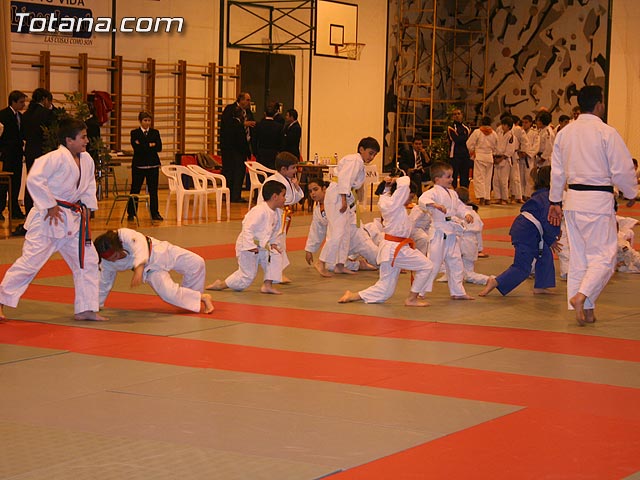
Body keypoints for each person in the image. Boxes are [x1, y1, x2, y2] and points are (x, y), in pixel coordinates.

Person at [0, 117, 106, 322]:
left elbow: (89, 185)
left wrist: (88, 208)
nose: (87, 141)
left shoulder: (87, 160)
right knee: (30, 263)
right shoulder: (54, 158)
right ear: (69, 140)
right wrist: (49, 204)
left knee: (89, 261)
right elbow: (34, 178)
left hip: (73, 220)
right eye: (82, 137)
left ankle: (85, 308)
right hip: (48, 219)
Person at [548, 85, 638, 326]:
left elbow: (557, 171)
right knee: (605, 258)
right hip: (597, 202)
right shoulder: (606, 132)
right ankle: (582, 296)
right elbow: (622, 168)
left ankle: (586, 309)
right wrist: (632, 192)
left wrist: (555, 200)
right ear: (599, 104)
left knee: (580, 258)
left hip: (572, 200)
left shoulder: (565, 133)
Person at [339, 174, 434, 306]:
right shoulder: (394, 204)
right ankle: (412, 299)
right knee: (426, 265)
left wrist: (388, 186)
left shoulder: (388, 202)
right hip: (396, 248)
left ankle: (353, 296)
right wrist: (398, 180)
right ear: (402, 194)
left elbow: (388, 194)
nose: (410, 200)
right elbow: (404, 184)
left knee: (385, 289)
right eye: (410, 196)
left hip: (392, 248)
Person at [479, 166, 561, 297]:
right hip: (526, 233)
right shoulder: (548, 198)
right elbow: (549, 221)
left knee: (545, 255)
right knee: (523, 267)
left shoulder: (544, 195)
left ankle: (541, 286)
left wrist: (550, 239)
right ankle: (495, 281)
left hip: (529, 230)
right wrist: (551, 239)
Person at [94, 229, 214, 314]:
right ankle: (201, 298)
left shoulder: (123, 235)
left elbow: (140, 243)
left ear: (118, 247)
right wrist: (96, 305)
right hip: (151, 270)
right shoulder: (107, 263)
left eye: (115, 256)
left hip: (160, 251)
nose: (114, 260)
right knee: (168, 293)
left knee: (197, 263)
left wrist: (138, 269)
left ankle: (190, 300)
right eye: (110, 259)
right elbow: (104, 282)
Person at [206, 180, 286, 294]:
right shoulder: (259, 210)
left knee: (275, 255)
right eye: (283, 195)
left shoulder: (277, 212)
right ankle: (221, 284)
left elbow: (274, 231)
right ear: (275, 197)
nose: (285, 199)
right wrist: (249, 245)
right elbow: (247, 227)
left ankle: (267, 285)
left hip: (263, 245)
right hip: (247, 246)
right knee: (247, 277)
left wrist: (273, 243)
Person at [315, 137, 380, 276]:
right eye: (370, 153)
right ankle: (321, 262)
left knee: (346, 233)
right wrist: (343, 199)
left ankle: (340, 264)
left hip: (345, 196)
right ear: (361, 149)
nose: (372, 157)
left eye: (374, 154)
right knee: (337, 232)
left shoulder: (359, 163)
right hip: (338, 195)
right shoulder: (354, 159)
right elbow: (344, 178)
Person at [418, 162, 474, 300]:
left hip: (451, 232)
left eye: (451, 176)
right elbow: (422, 199)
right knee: (433, 263)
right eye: (448, 177)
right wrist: (434, 205)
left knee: (456, 262)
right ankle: (419, 292)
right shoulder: (433, 192)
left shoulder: (453, 194)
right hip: (438, 232)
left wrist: (466, 214)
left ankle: (458, 291)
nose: (451, 179)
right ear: (437, 179)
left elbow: (460, 207)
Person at [304, 178, 377, 272]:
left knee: (377, 259)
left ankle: (398, 265)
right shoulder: (317, 211)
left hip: (356, 235)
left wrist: (344, 194)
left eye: (315, 189)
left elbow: (351, 198)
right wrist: (309, 250)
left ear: (324, 188)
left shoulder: (336, 196)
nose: (313, 193)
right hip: (340, 241)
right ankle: (359, 265)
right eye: (310, 191)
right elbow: (316, 230)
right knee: (330, 265)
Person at [260, 151, 305, 281]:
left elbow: (293, 199)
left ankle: (276, 273)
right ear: (283, 169)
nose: (295, 170)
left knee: (280, 243)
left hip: (281, 215)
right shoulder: (274, 182)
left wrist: (296, 186)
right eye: (293, 168)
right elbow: (288, 199)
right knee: (276, 244)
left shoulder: (287, 180)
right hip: (271, 216)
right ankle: (275, 274)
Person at [22, 88, 55, 220]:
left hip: (29, 150)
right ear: (45, 99)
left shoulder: (25, 115)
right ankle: (42, 206)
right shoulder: (46, 113)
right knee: (43, 181)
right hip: (43, 151)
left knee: (30, 180)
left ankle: (29, 209)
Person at [128, 111, 163, 221]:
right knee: (135, 189)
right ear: (140, 121)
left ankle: (155, 213)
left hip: (153, 165)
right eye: (145, 120)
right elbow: (137, 148)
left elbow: (159, 147)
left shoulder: (155, 133)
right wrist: (150, 145)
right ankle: (131, 213)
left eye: (149, 120)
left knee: (153, 191)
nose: (147, 123)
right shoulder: (134, 133)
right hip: (139, 166)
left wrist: (145, 145)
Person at [221, 93, 255, 203]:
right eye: (247, 100)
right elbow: (227, 126)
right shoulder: (230, 109)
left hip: (242, 147)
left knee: (240, 172)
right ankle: (226, 194)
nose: (249, 102)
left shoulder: (248, 112)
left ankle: (236, 195)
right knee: (229, 171)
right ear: (240, 100)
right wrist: (243, 124)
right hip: (230, 147)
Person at [0, 90, 27, 222]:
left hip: (17, 154)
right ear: (13, 102)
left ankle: (14, 209)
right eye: (21, 102)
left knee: (16, 183)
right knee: (3, 184)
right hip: (6, 154)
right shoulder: (3, 115)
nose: (23, 105)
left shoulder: (20, 117)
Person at [466, 116, 497, 206]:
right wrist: (492, 152)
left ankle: (482, 198)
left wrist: (473, 150)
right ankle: (487, 198)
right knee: (487, 178)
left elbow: (469, 144)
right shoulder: (494, 134)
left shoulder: (477, 132)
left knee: (479, 178)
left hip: (479, 156)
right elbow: (496, 146)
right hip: (489, 157)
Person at [254, 101, 283, 170]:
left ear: (265, 113)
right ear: (274, 114)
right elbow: (281, 141)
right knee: (271, 172)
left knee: (261, 172)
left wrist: (255, 152)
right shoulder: (278, 126)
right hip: (273, 153)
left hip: (261, 152)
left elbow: (254, 140)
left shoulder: (259, 125)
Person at [447, 108, 472, 188]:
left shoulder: (467, 127)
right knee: (453, 176)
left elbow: (469, 139)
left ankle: (464, 195)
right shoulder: (450, 127)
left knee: (465, 176)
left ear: (462, 115)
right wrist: (464, 137)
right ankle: (452, 194)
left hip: (465, 155)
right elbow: (456, 139)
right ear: (452, 117)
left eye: (458, 114)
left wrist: (462, 138)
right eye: (455, 114)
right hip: (454, 155)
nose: (457, 116)